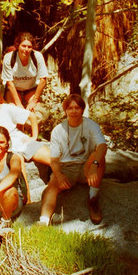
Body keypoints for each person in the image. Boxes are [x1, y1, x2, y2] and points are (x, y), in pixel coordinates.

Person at [38, 93, 107, 226]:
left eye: (77, 108)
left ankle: (93, 199)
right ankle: (43, 221)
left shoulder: (91, 125)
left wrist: (94, 165)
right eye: (70, 108)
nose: (74, 111)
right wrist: (58, 175)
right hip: (67, 168)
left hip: (86, 166)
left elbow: (102, 146)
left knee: (98, 155)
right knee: (51, 187)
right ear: (66, 110)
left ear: (82, 109)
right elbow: (54, 158)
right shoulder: (58, 130)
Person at [0, 83, 50, 168]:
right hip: (2, 152)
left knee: (54, 161)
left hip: (21, 142)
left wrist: (34, 137)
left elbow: (31, 116)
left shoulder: (6, 108)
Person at [1, 32, 48, 111]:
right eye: (23, 46)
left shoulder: (37, 56)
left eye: (29, 47)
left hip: (31, 89)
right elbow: (9, 83)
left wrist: (34, 101)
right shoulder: (9, 58)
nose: (26, 49)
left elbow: (43, 80)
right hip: (14, 89)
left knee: (37, 111)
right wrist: (19, 105)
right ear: (18, 46)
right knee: (14, 110)